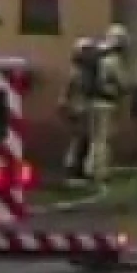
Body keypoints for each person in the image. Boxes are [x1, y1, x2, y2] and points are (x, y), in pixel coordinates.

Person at [85, 24, 129, 181]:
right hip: (108, 103)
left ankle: (89, 168)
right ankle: (102, 172)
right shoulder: (114, 60)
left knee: (95, 137)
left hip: (93, 101)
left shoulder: (99, 55)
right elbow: (123, 83)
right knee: (105, 138)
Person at [60, 36, 100, 182]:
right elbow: (66, 91)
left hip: (83, 108)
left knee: (83, 140)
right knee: (79, 140)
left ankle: (77, 167)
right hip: (78, 109)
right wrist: (64, 106)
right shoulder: (77, 72)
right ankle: (73, 168)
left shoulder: (85, 71)